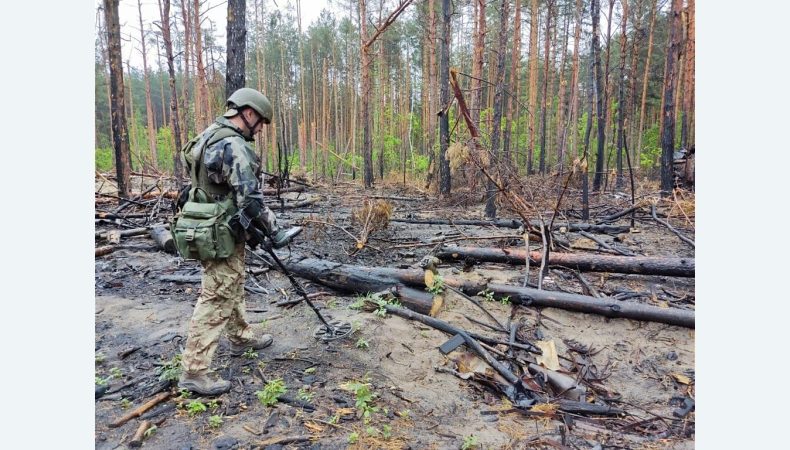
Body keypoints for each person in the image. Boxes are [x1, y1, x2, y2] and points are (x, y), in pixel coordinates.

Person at [177, 88, 302, 395]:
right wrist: (274, 230)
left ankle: (241, 335)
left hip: (210, 222)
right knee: (217, 293)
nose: (260, 129)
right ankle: (194, 370)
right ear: (248, 113)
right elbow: (250, 198)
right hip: (218, 227)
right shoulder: (234, 144)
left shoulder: (209, 134)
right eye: (260, 122)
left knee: (230, 281)